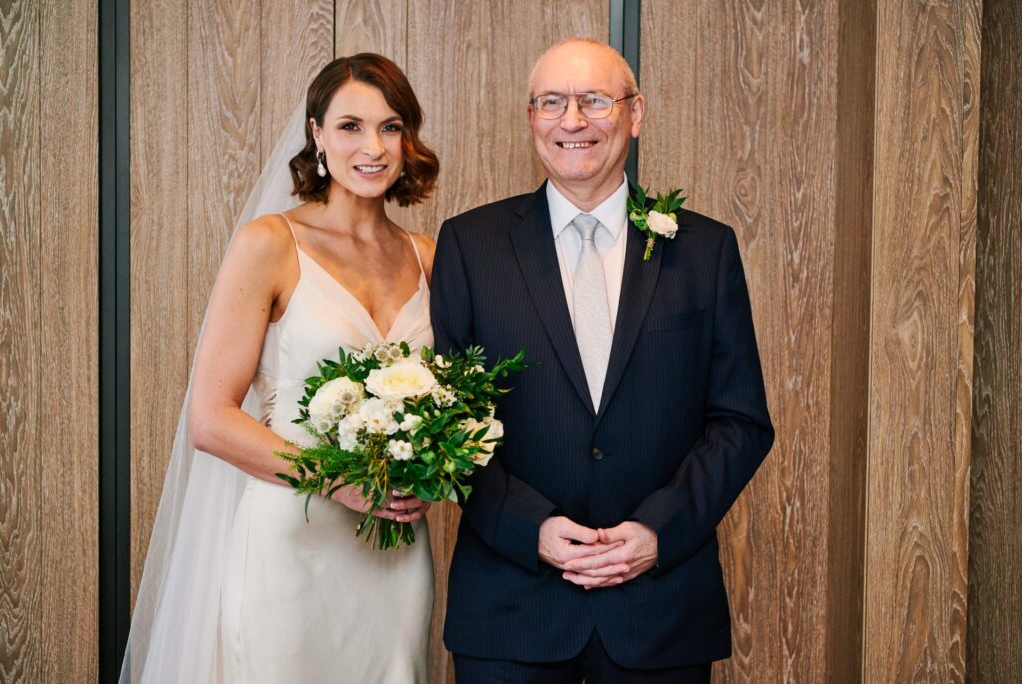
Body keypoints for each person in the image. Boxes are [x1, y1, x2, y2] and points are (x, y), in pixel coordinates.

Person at [431, 38, 775, 683]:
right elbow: (447, 425)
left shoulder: (706, 250)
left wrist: (657, 532)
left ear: (635, 113)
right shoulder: (469, 245)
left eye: (594, 100)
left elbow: (740, 421)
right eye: (552, 102)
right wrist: (529, 528)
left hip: (660, 608)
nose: (573, 121)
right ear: (531, 116)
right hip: (511, 607)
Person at [122, 54, 439, 683]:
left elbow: (447, 401)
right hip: (292, 539)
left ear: (408, 140)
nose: (372, 146)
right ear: (317, 135)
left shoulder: (429, 257)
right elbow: (210, 420)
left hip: (395, 552)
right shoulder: (270, 243)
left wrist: (435, 464)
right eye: (350, 126)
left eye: (391, 126)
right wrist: (338, 481)